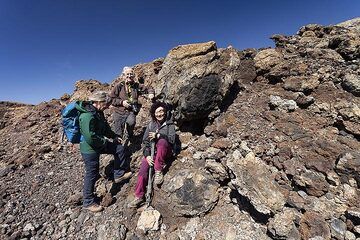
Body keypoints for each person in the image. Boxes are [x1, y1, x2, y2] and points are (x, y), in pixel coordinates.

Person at [78, 91, 132, 212]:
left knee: (119, 148)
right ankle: (88, 201)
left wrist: (113, 136)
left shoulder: (98, 112)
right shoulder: (87, 115)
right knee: (92, 173)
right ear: (98, 102)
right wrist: (104, 142)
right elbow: (90, 137)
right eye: (106, 104)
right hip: (89, 148)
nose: (108, 106)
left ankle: (118, 174)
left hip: (99, 143)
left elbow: (105, 128)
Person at [128, 101, 176, 208]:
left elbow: (172, 140)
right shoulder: (151, 125)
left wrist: (158, 135)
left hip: (166, 151)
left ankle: (158, 170)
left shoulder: (170, 125)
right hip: (153, 153)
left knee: (162, 142)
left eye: (162, 111)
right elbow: (145, 143)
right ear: (153, 114)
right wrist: (147, 155)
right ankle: (139, 196)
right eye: (157, 112)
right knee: (143, 170)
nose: (160, 114)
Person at [108, 66, 155, 140]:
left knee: (131, 123)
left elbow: (149, 88)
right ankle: (119, 147)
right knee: (118, 133)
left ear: (133, 75)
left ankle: (130, 135)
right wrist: (121, 102)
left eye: (131, 74)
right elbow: (110, 99)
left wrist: (151, 93)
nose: (129, 76)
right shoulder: (119, 86)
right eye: (127, 74)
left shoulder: (136, 85)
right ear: (124, 75)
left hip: (131, 111)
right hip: (119, 112)